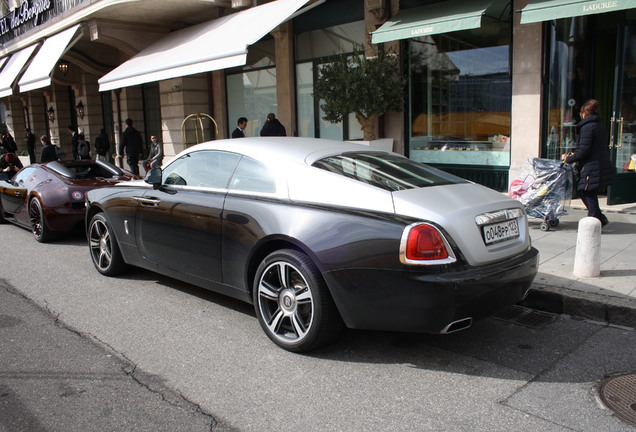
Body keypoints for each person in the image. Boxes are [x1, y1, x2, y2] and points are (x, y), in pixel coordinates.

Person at [562, 99, 614, 227]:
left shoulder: (587, 127)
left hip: (592, 165)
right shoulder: (599, 125)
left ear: (585, 113)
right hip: (598, 163)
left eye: (581, 112)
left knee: (586, 191)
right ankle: (599, 219)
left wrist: (568, 159)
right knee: (586, 191)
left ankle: (593, 222)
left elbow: (584, 150)